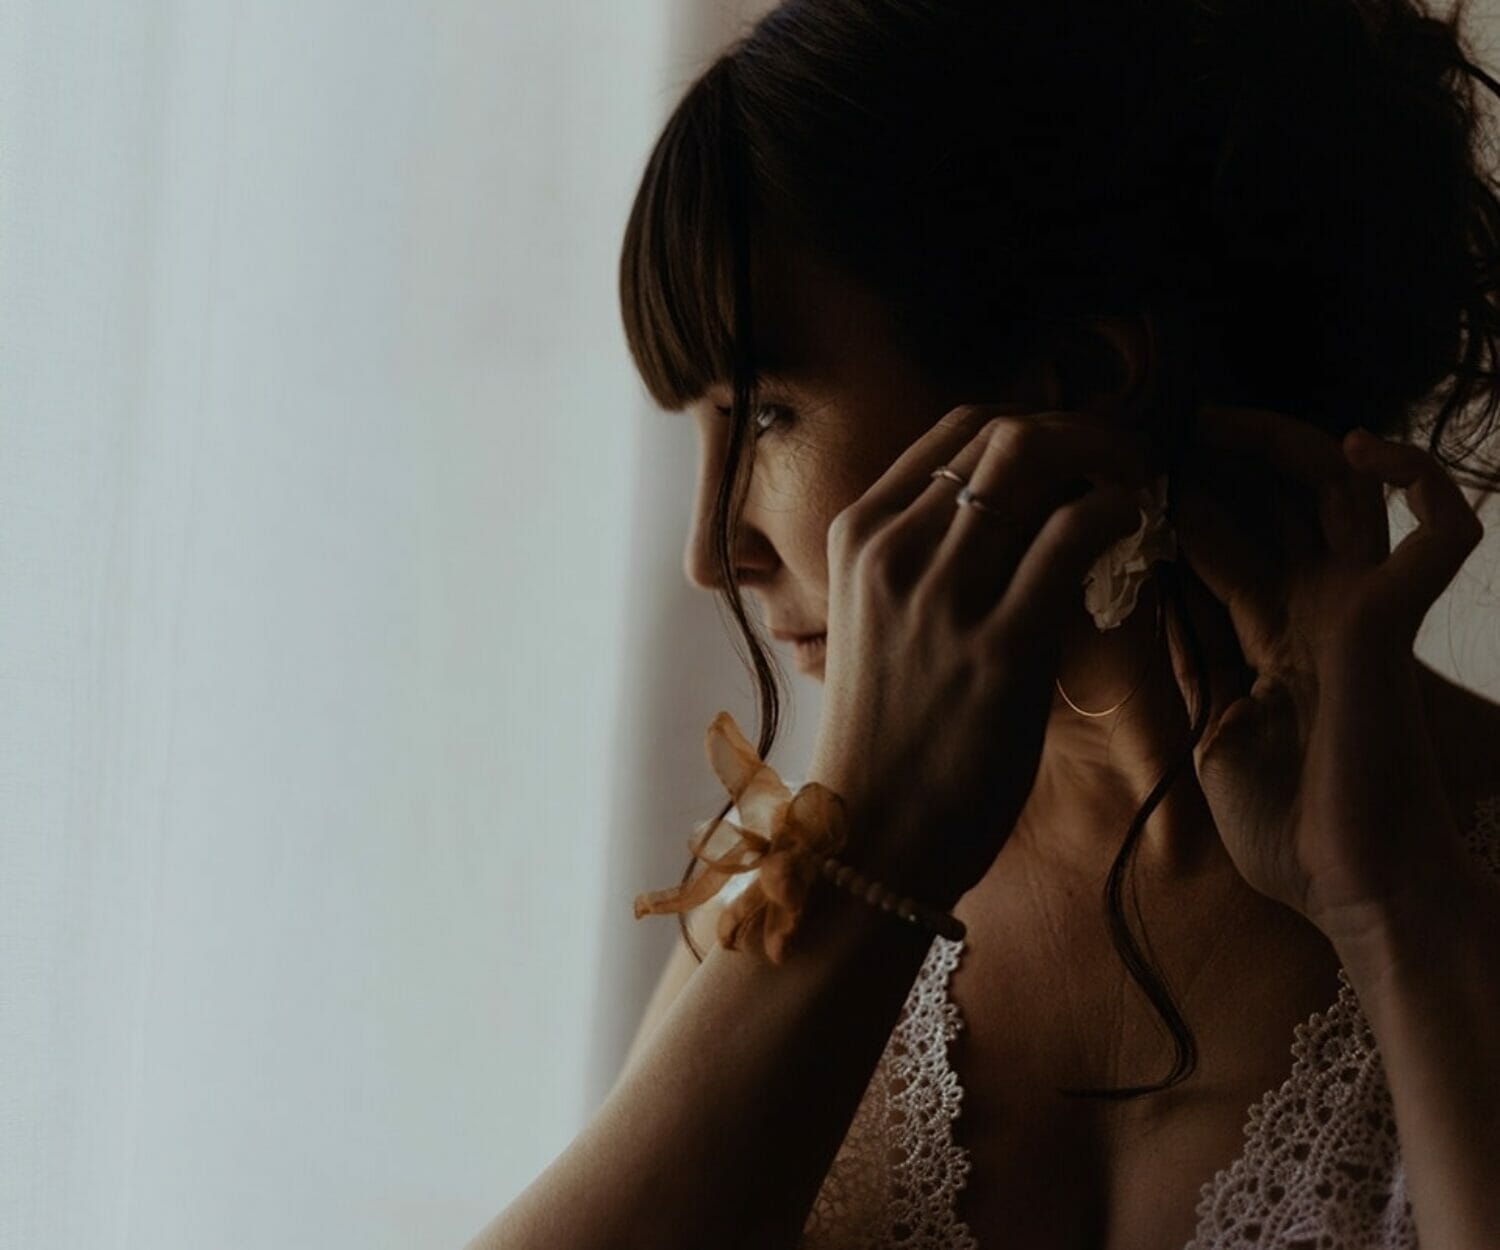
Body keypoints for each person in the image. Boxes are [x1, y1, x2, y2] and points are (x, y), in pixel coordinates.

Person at [473, 1, 1500, 1246]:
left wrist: (1399, 915)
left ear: (1069, 386)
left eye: (766, 414)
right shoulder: (793, 884)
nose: (712, 552)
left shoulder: (1447, 876)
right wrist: (877, 851)